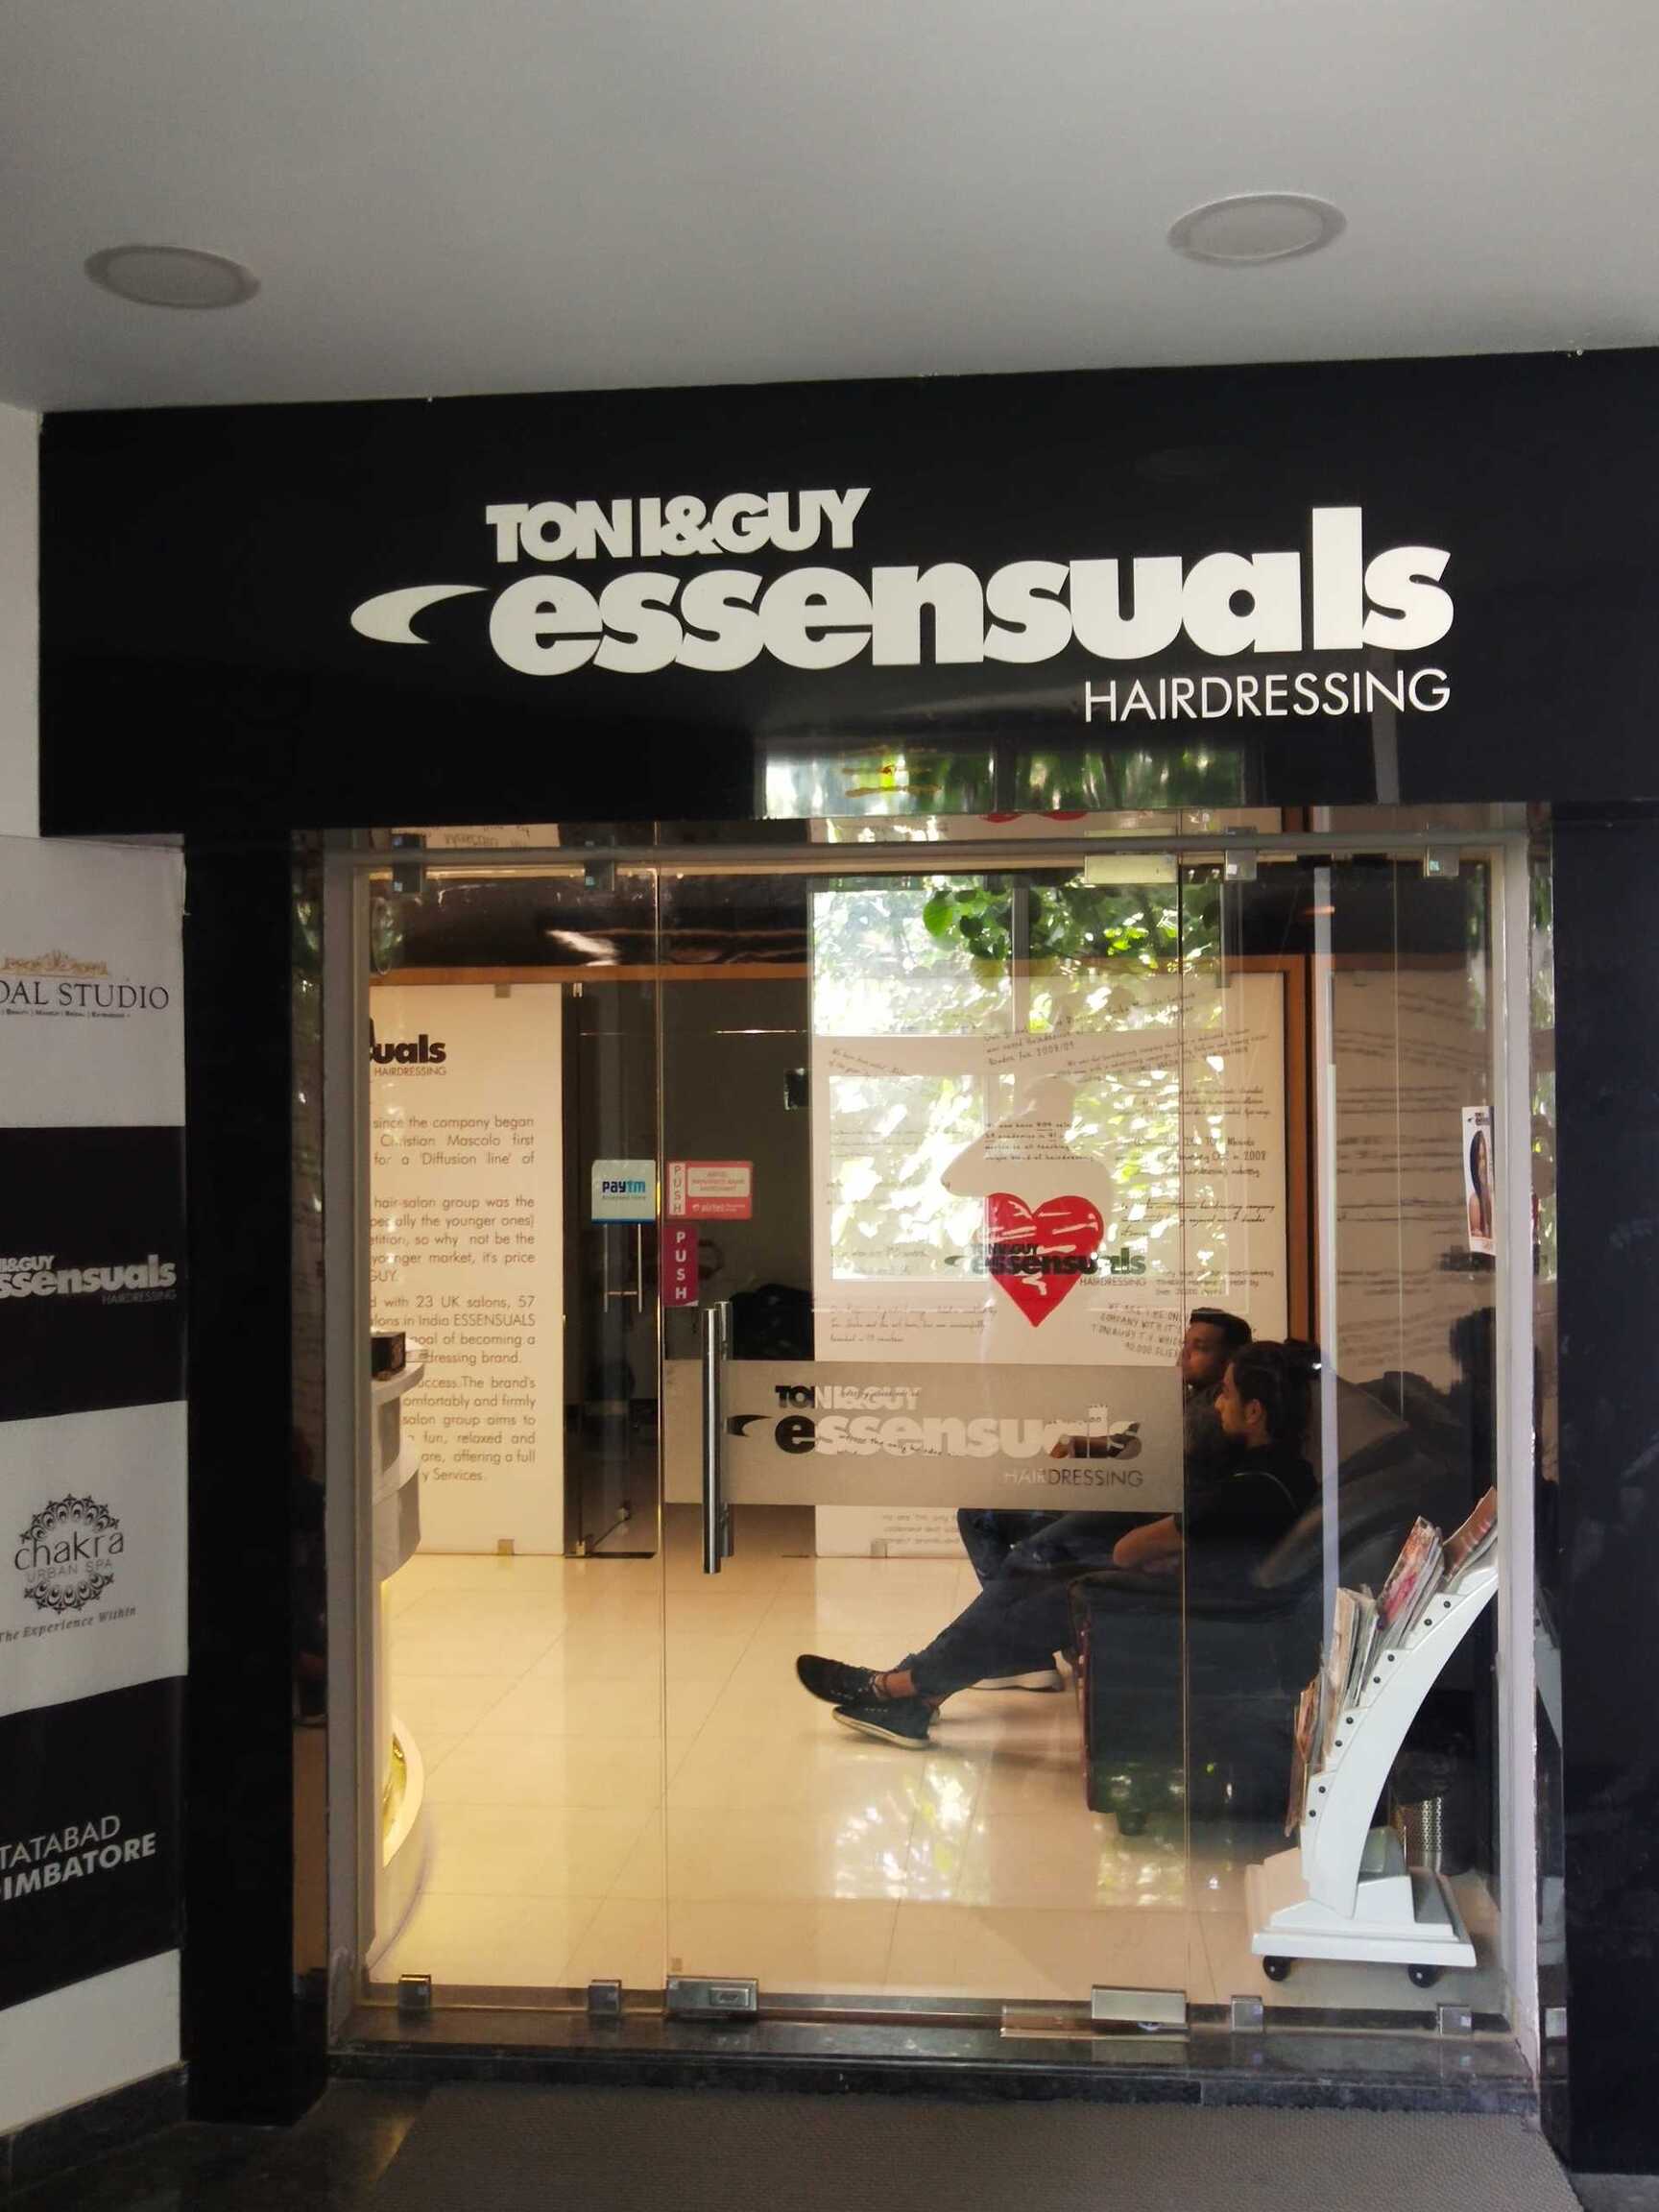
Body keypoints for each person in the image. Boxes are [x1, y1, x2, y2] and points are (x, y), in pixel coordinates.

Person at [796, 1338, 1317, 1748]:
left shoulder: (1246, 1489)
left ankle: (894, 1688)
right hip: (1190, 1593)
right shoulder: (1282, 1473)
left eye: (1227, 1392)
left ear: (1254, 1412)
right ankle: (913, 1694)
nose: (1218, 1402)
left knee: (1038, 1592)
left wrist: (1160, 1546)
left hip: (1184, 1608)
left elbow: (1130, 1550)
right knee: (1030, 1575)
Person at [947, 1306, 1253, 1693]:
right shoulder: (1186, 1397)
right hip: (1119, 1506)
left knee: (1014, 1537)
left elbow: (1158, 1463)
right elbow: (1131, 1444)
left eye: (1201, 1348)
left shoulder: (1217, 1413)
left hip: (1136, 1523)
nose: (1184, 1354)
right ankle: (1022, 1650)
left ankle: (1018, 1649)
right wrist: (1080, 1445)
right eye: (1185, 1344)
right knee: (979, 1515)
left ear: (1231, 1360)